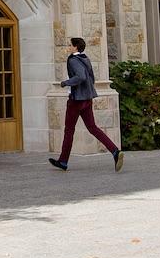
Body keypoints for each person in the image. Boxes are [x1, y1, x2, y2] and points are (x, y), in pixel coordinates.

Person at [49, 37, 124, 171]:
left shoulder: (73, 60)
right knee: (92, 128)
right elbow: (91, 78)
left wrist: (66, 83)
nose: (68, 47)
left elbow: (81, 76)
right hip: (87, 99)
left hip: (76, 100)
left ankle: (63, 161)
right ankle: (115, 151)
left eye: (70, 45)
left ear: (75, 47)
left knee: (69, 130)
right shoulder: (85, 58)